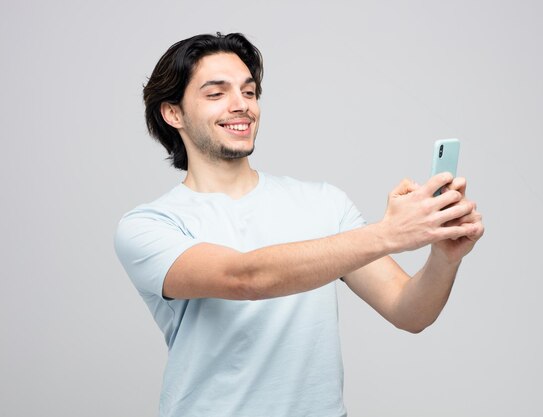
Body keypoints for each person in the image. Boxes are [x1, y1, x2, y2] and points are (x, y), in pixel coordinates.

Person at [114, 32, 484, 417]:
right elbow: (245, 278)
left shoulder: (323, 203)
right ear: (173, 113)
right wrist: (388, 234)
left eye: (249, 92)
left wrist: (444, 257)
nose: (240, 105)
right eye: (216, 94)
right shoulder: (149, 226)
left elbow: (410, 312)